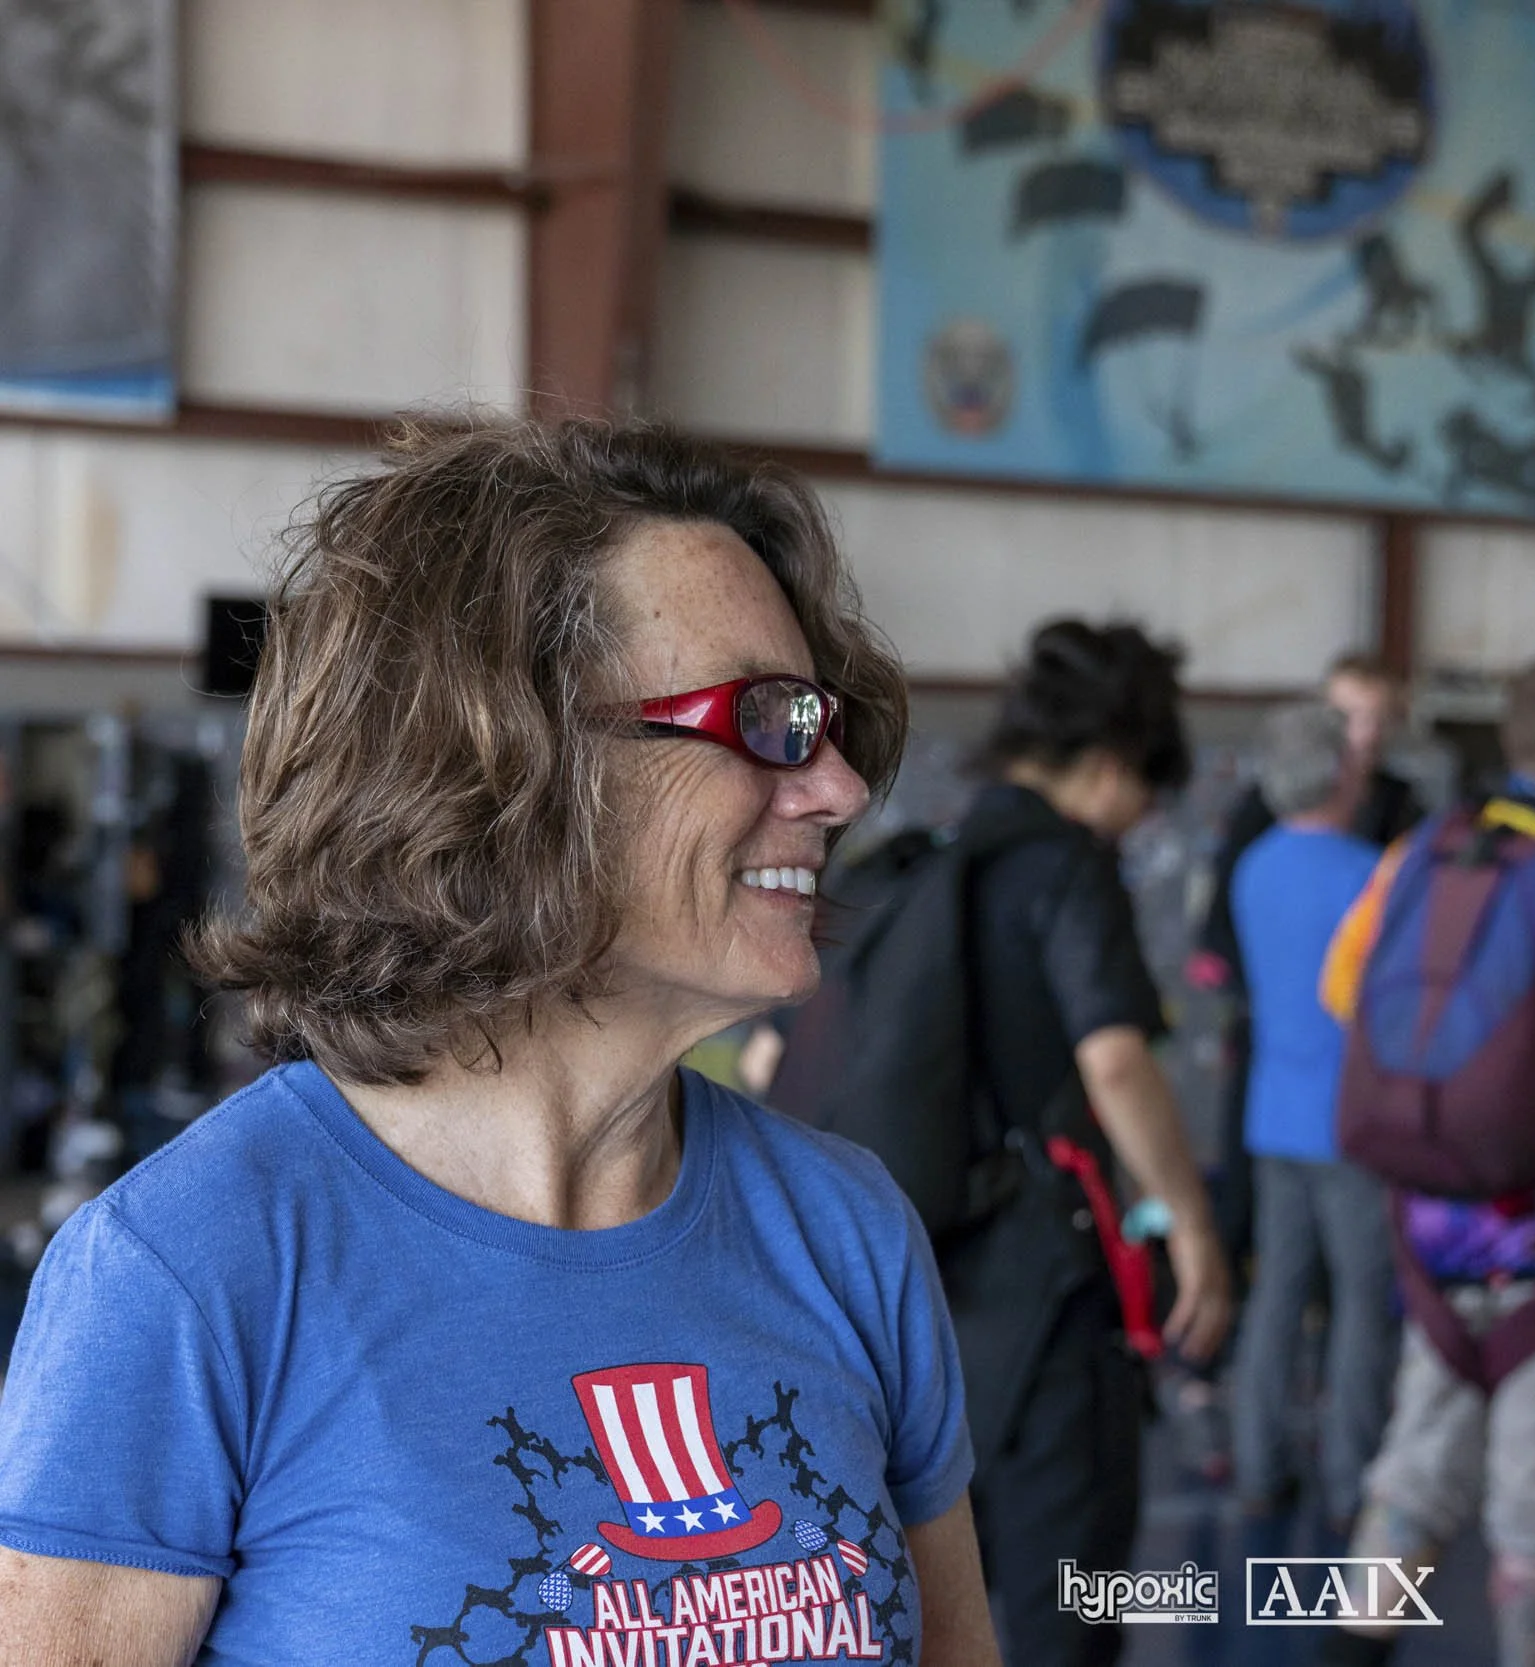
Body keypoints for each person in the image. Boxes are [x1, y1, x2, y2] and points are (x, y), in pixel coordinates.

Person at [0, 420, 1000, 1665]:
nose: (840, 788)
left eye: (823, 721)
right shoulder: (191, 1273)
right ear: (503, 761)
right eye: (767, 719)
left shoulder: (846, 1229)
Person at [1317, 655, 1535, 1667]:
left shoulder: (1422, 850)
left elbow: (1348, 993)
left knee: (1416, 1464)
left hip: (1433, 1221)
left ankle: (1345, 1651)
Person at [943, 619, 1234, 1667]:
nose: (1140, 822)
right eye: (1143, 795)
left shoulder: (933, 860)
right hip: (1053, 1296)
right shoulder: (1067, 867)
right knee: (1071, 1596)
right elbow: (1115, 1062)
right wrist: (1190, 1226)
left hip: (928, 1298)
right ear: (1110, 764)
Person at [1226, 703, 1399, 1533]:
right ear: (1341, 772)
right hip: (1354, 1122)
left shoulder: (1251, 867)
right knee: (1364, 1301)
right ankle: (1351, 1477)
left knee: (1277, 1297)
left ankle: (1258, 1468)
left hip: (1272, 1114)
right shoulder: (1377, 874)